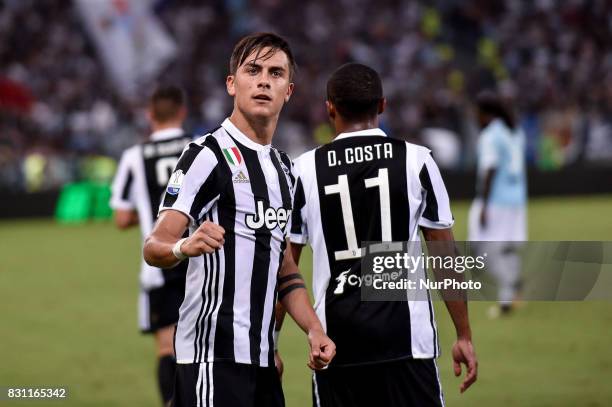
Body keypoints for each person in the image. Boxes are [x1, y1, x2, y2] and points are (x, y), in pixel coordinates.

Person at [143, 32, 335, 407]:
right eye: (253, 70)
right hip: (212, 359)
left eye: (276, 73)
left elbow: (285, 269)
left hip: (262, 362)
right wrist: (185, 246)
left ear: (289, 90)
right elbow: (155, 245)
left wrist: (314, 330)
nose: (264, 80)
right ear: (232, 84)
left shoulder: (284, 169)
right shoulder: (206, 154)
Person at [287, 63, 478, 406]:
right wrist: (463, 334)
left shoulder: (303, 170)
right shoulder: (416, 161)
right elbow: (444, 254)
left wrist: (269, 343)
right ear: (382, 105)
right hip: (406, 346)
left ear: (329, 107)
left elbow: (285, 267)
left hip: (335, 345)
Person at [110, 85, 193, 405]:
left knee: (166, 348)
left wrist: (149, 214)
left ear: (150, 115)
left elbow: (120, 218)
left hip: (158, 264)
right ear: (182, 112)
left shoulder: (134, 156)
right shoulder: (196, 147)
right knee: (206, 343)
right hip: (199, 260)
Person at [468, 91, 527, 317]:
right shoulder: (514, 131)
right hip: (516, 200)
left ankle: (508, 292)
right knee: (507, 249)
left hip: (495, 200)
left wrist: (484, 204)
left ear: (485, 113)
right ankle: (512, 291)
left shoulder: (490, 136)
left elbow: (490, 169)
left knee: (483, 250)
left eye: (477, 112)